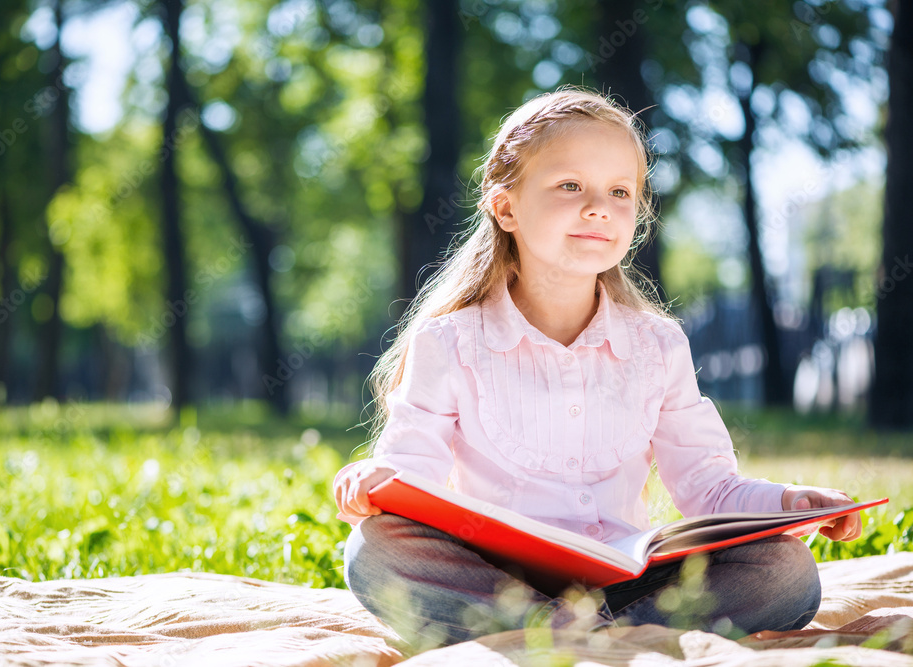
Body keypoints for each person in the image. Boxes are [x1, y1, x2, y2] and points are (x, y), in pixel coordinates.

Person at [332, 85, 862, 648]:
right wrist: (374, 482)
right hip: (497, 581)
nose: (598, 208)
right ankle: (587, 635)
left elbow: (709, 487)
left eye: (619, 191)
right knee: (374, 548)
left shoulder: (658, 345)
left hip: (628, 581)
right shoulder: (451, 342)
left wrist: (789, 503)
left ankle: (566, 637)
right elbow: (409, 475)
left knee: (786, 568)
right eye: (569, 186)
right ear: (506, 207)